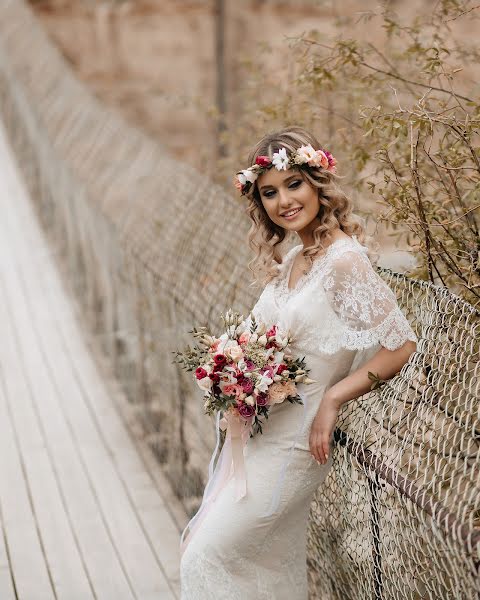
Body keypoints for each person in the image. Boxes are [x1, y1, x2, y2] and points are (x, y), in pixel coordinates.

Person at [180, 126, 417, 599]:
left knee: (205, 554)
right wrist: (231, 372)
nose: (284, 201)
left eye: (294, 184)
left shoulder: (345, 262)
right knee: (252, 564)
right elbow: (263, 340)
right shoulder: (293, 259)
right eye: (269, 192)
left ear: (317, 182)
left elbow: (401, 345)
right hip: (259, 437)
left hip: (294, 445)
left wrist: (334, 397)